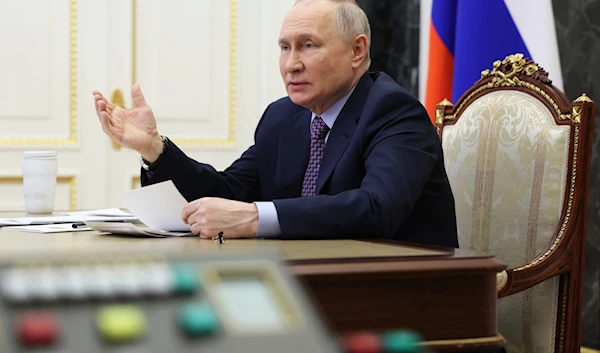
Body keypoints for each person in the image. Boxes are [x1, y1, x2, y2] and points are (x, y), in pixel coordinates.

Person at [92, 0, 458, 248]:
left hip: (408, 298)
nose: (291, 64)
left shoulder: (394, 111)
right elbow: (230, 191)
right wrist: (154, 149)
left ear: (357, 51)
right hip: (309, 285)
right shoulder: (284, 117)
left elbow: (377, 208)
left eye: (308, 45)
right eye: (285, 48)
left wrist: (255, 217)